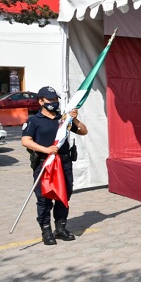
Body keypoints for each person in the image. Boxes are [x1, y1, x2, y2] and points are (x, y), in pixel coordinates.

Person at [21, 86, 88, 245]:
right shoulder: (34, 120)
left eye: (55, 99)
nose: (53, 102)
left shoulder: (63, 119)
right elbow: (26, 141)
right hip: (45, 163)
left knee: (63, 195)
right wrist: (46, 149)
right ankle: (46, 230)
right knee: (44, 198)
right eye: (50, 100)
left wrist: (74, 119)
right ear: (41, 101)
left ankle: (60, 228)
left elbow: (84, 131)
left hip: (64, 163)